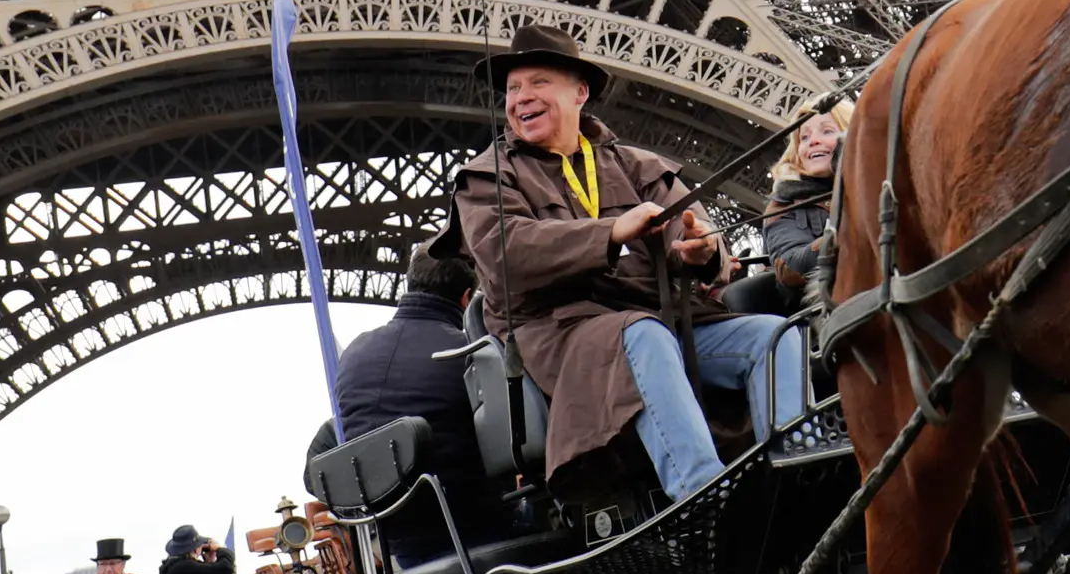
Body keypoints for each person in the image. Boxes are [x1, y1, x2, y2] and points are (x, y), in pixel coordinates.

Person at [450, 26, 805, 505]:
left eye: (538, 83)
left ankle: (793, 469)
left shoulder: (639, 166)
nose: (521, 98)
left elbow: (696, 230)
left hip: (664, 322)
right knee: (642, 335)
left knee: (773, 335)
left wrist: (703, 252)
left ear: (580, 93)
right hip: (565, 332)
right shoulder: (488, 177)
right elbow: (504, 253)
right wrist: (611, 232)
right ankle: (703, 496)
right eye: (513, 88)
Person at [330, 228, 493, 504]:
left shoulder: (353, 354)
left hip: (388, 530)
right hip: (469, 523)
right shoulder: (469, 351)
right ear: (466, 298)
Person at [720, 106, 851, 317]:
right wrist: (843, 233)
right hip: (822, 317)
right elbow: (790, 267)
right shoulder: (784, 204)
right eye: (804, 137)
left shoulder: (882, 189)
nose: (813, 140)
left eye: (827, 131)